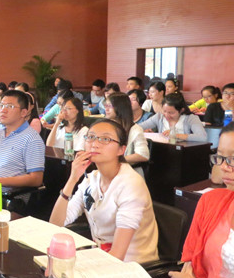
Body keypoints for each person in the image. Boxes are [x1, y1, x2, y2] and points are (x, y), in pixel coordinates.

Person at [49, 119, 159, 263]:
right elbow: (56, 223)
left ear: (121, 149)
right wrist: (72, 179)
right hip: (102, 257)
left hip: (132, 265)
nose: (94, 144)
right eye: (91, 137)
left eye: (105, 139)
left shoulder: (131, 184)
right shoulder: (91, 179)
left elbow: (118, 255)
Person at [168, 122, 234, 278]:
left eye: (233, 159)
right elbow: (189, 274)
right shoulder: (211, 201)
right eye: (221, 157)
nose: (224, 166)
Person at [0, 90, 45, 215]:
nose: (3, 110)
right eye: (1, 105)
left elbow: (36, 179)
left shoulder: (32, 139)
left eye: (10, 106)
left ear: (23, 112)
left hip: (7, 197)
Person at [105, 92, 150, 177]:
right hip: (110, 170)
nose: (106, 109)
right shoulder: (106, 126)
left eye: (109, 106)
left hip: (130, 174)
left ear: (120, 108)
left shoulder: (135, 129)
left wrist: (116, 160)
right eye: (106, 106)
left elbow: (143, 155)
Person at [139, 93, 207, 141]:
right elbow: (138, 127)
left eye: (171, 113)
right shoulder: (159, 117)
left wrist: (175, 135)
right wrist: (143, 131)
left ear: (181, 110)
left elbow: (202, 137)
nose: (166, 115)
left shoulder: (190, 118)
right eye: (164, 111)